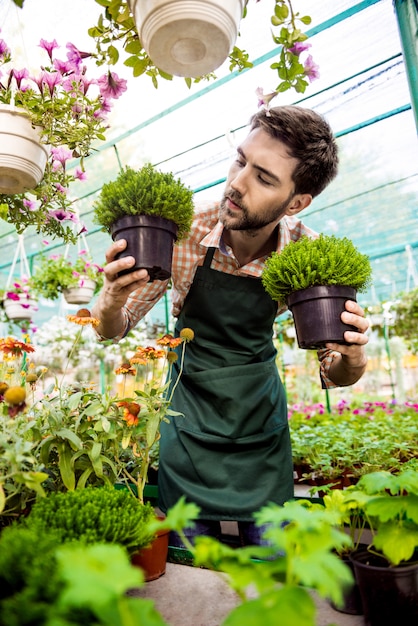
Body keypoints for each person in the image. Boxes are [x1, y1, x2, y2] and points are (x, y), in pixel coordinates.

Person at [92, 105, 369, 547]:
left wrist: (353, 359)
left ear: (296, 202)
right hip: (188, 421)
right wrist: (110, 298)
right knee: (188, 564)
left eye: (264, 177)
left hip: (259, 427)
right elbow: (113, 327)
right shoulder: (182, 233)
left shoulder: (308, 258)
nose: (237, 183)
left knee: (271, 564)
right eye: (241, 160)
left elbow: (335, 372)